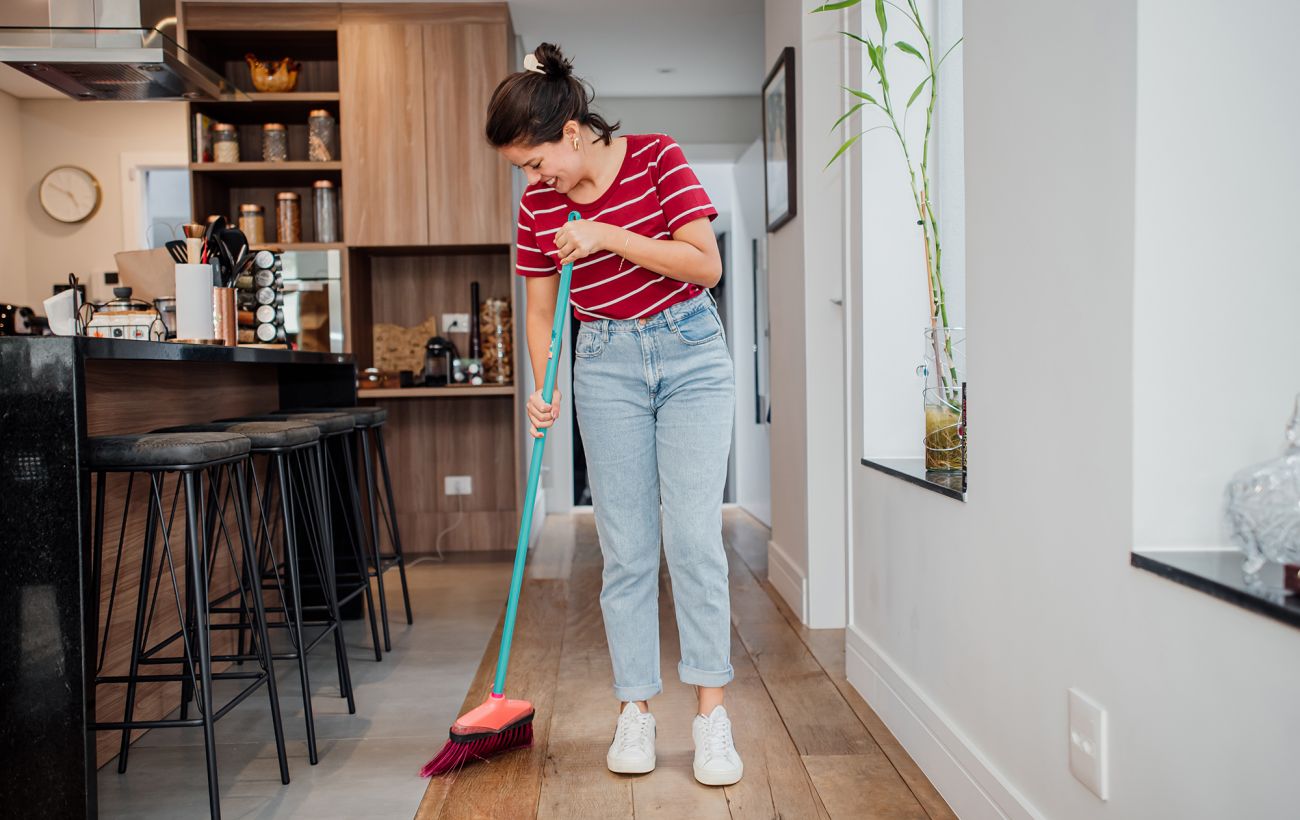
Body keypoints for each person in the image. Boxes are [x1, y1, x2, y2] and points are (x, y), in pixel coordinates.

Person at [484, 43, 742, 786]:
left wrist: (603, 235)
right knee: (626, 548)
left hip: (691, 352)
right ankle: (634, 712)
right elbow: (540, 310)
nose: (534, 182)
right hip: (604, 364)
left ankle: (710, 718)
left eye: (535, 164)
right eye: (523, 173)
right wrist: (544, 382)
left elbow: (705, 264)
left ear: (569, 131)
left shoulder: (658, 159)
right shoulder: (538, 207)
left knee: (693, 538)